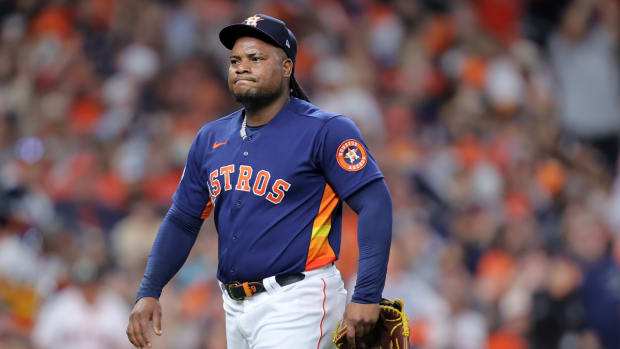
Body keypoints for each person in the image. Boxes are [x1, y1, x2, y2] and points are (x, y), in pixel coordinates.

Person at [126, 14, 393, 349]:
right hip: (234, 307)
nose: (241, 67)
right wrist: (149, 290)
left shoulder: (325, 130)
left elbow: (375, 203)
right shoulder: (211, 138)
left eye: (256, 58)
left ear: (286, 68)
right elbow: (182, 220)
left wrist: (367, 294)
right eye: (235, 60)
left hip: (300, 298)